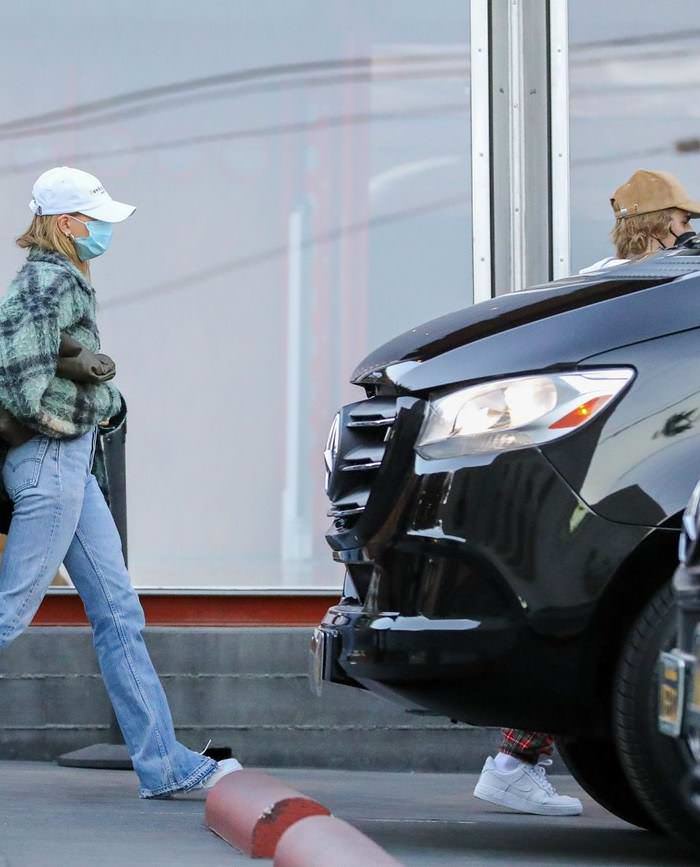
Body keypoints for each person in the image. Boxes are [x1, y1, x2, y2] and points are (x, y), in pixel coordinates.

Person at [0, 166, 242, 799]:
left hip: (69, 464)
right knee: (8, 613)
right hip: (52, 461)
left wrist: (96, 400)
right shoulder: (46, 281)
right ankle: (165, 764)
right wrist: (89, 404)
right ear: (67, 222)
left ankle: (165, 766)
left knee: (119, 614)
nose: (104, 229)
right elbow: (22, 386)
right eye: (95, 218)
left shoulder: (61, 277)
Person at [473, 167, 700, 817]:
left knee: (579, 617)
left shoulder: (598, 280)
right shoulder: (651, 293)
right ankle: (513, 762)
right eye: (684, 222)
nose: (690, 233)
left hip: (580, 475)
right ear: (661, 225)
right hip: (604, 480)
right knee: (581, 614)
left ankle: (518, 760)